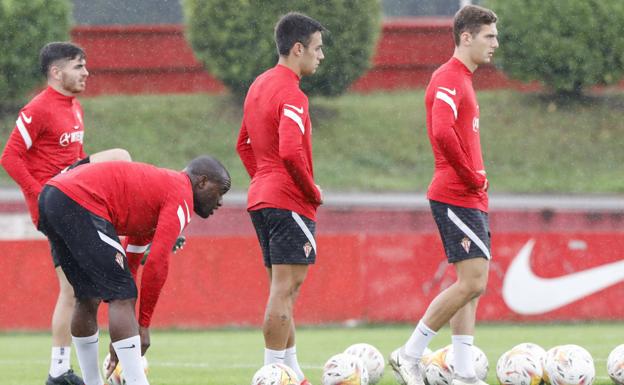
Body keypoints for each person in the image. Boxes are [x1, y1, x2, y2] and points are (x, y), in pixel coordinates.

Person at [0, 41, 132, 385]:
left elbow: (76, 155)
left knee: (75, 291)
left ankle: (59, 369)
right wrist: (39, 193)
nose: (86, 72)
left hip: (76, 199)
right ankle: (61, 369)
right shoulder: (38, 108)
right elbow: (10, 157)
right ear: (56, 72)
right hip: (58, 205)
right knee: (78, 291)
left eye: (85, 65)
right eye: (78, 66)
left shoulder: (74, 108)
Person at [37, 156, 231, 385]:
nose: (220, 202)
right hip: (77, 200)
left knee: (87, 297)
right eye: (220, 192)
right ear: (202, 182)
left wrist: (124, 329)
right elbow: (157, 264)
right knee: (122, 294)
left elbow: (131, 261)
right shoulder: (182, 195)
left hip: (51, 197)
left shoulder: (158, 193)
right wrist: (142, 326)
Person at [389, 5, 498, 385]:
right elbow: (440, 131)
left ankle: (465, 373)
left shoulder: (463, 79)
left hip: (470, 196)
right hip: (455, 193)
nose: (495, 44)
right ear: (465, 37)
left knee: (471, 287)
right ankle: (409, 353)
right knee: (473, 282)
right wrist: (470, 175)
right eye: (489, 36)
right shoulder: (449, 78)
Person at [236, 11, 325, 385]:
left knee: (284, 289)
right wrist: (311, 191)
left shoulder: (258, 85)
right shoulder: (292, 93)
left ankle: (293, 372)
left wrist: (263, 181)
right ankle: (274, 373)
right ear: (298, 48)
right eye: (318, 49)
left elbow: (242, 144)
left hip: (263, 197)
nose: (321, 56)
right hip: (287, 199)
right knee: (284, 288)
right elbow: (290, 151)